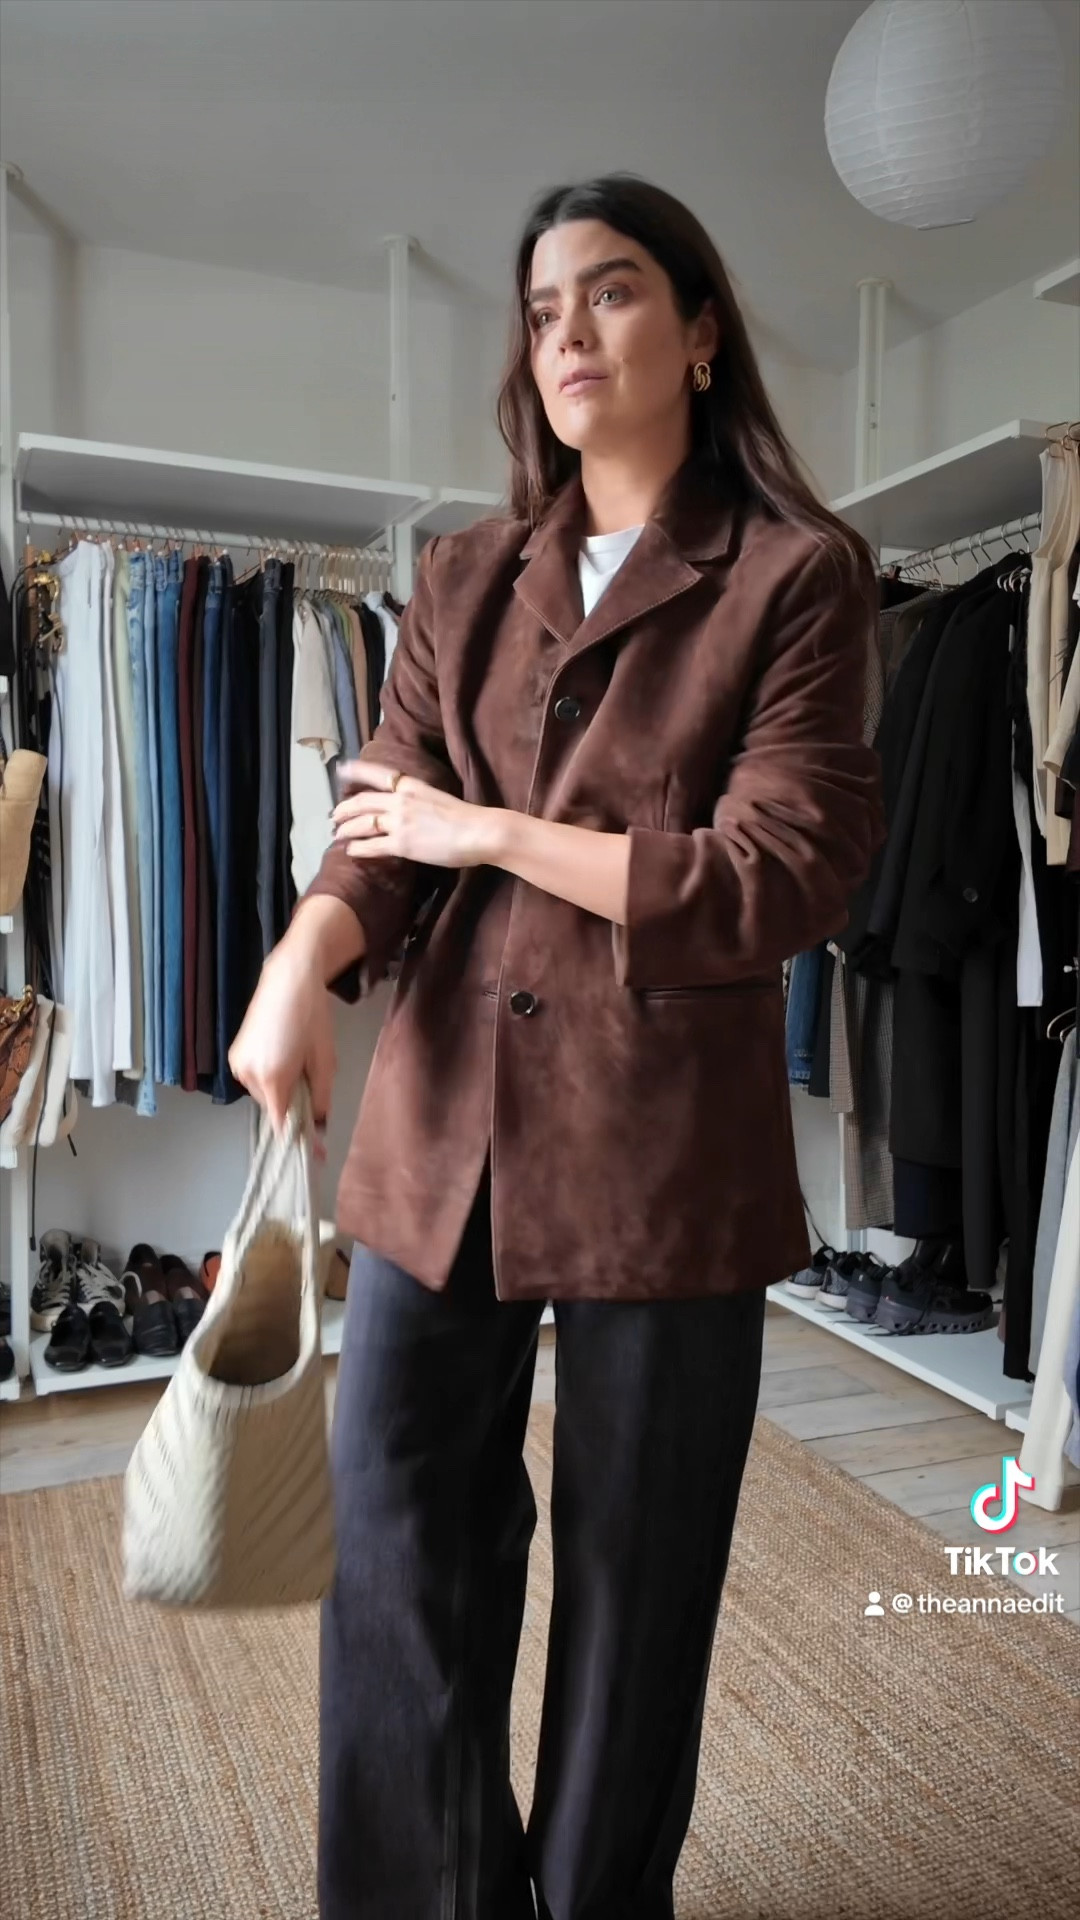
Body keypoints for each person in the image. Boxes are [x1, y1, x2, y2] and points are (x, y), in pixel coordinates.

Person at [229, 172, 883, 1920]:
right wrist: (305, 955)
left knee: (636, 1576)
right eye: (541, 311)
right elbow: (382, 816)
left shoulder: (796, 579)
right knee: (396, 1543)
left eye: (609, 294)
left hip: (668, 1157)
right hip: (443, 1132)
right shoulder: (465, 573)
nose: (569, 336)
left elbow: (782, 875)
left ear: (701, 326)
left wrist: (494, 836)